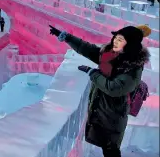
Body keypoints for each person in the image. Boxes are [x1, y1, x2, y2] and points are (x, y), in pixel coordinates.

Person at [49, 24, 150, 157]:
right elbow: (89, 50)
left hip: (114, 115)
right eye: (115, 37)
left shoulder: (132, 68)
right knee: (106, 146)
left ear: (130, 44)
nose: (115, 41)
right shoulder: (111, 55)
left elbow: (115, 88)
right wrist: (67, 37)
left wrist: (93, 74)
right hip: (102, 110)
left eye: (120, 39)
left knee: (111, 149)